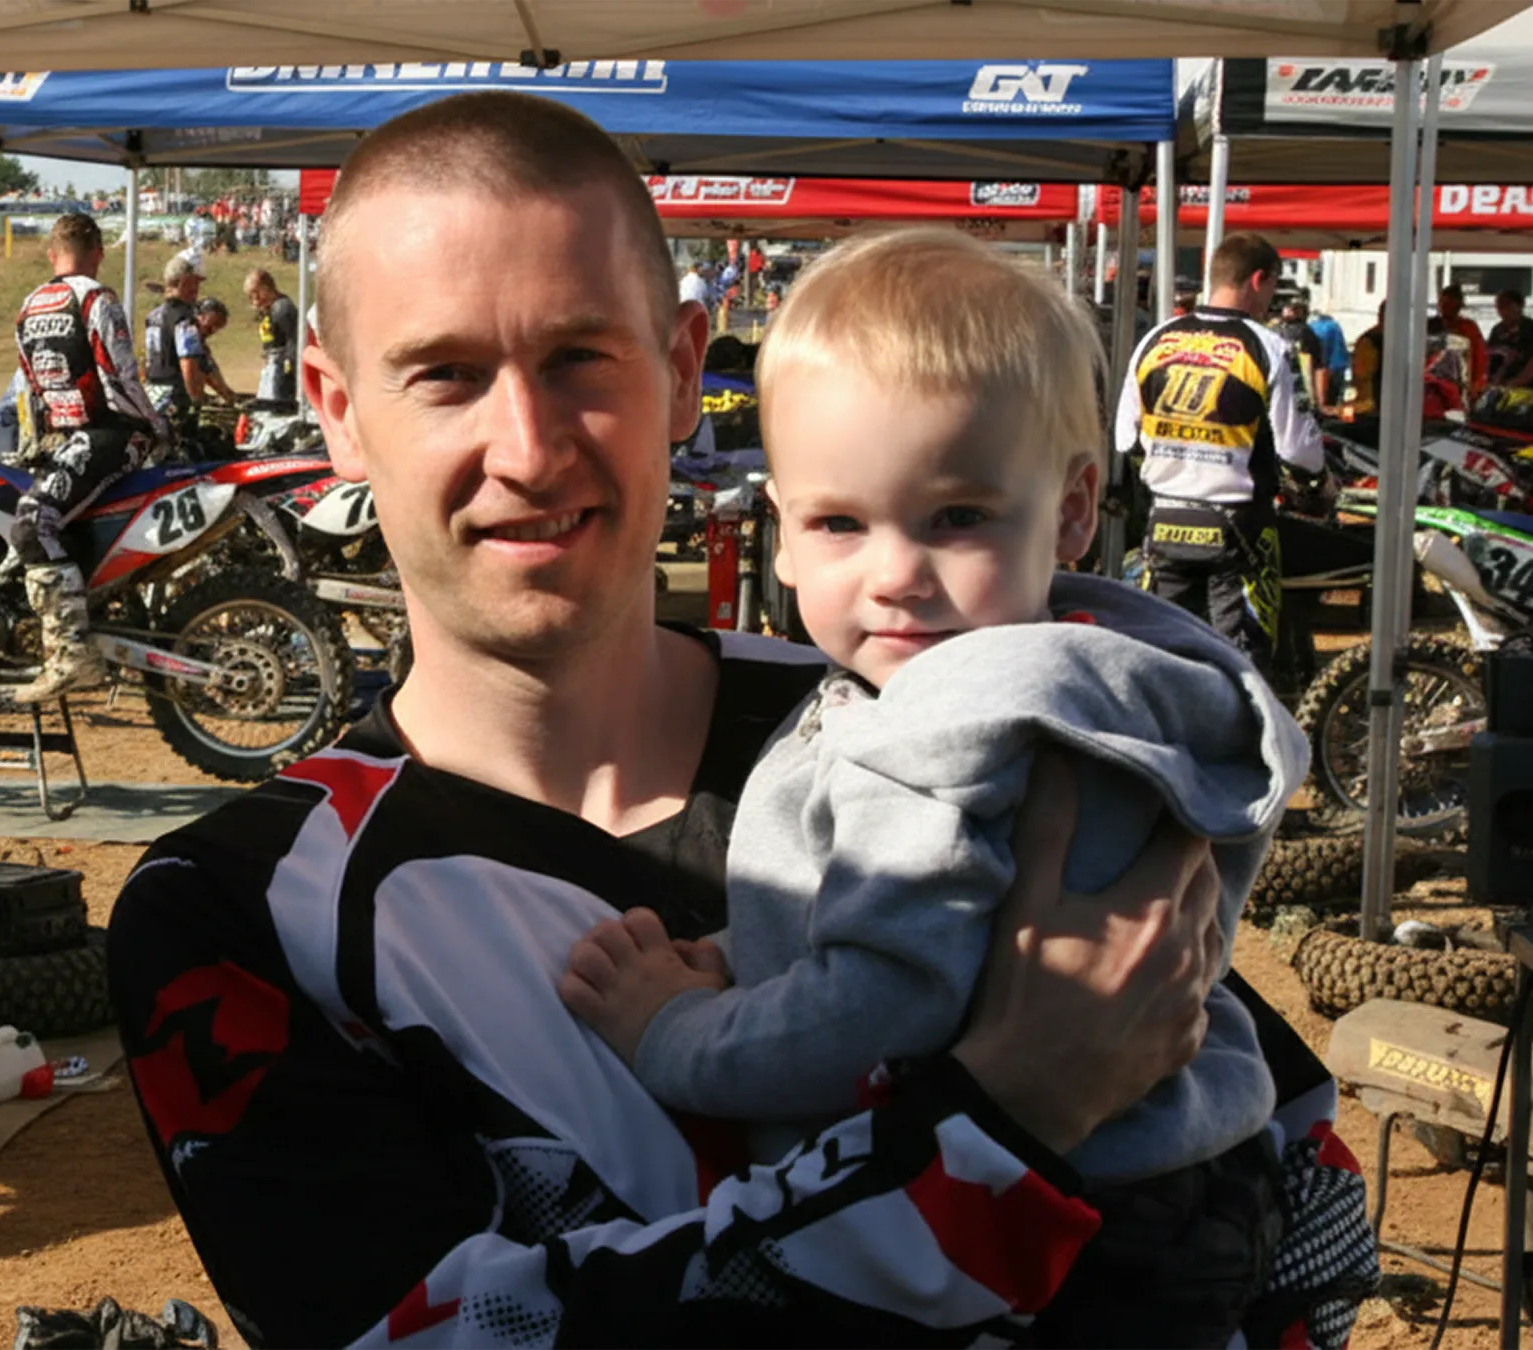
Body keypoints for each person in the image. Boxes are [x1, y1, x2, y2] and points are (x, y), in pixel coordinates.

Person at [109, 91, 1357, 1350]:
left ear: (680, 371)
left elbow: (1304, 1194)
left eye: (580, 360)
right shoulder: (240, 907)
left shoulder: (929, 707)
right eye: (446, 375)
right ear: (334, 405)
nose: (528, 449)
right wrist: (1018, 1111)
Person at [561, 229, 1350, 1345]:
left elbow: (882, 1006)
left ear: (1075, 511)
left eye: (959, 517)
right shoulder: (1102, 675)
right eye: (840, 522)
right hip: (1176, 1182)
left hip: (1041, 1217)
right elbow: (950, 928)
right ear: (782, 531)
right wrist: (752, 952)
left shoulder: (948, 717)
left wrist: (674, 1028)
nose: (893, 574)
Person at [1117, 232, 1322, 671]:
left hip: (1165, 522)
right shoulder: (1268, 346)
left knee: (1160, 659)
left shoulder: (1155, 339)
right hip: (1238, 529)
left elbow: (1124, 439)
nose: (1271, 300)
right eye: (1272, 288)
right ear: (1258, 279)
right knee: (1241, 667)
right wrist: (1321, 484)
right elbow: (1300, 450)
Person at [10, 212, 167, 701]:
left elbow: (31, 391)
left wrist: (35, 445)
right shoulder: (97, 299)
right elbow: (120, 377)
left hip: (78, 441)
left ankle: (72, 651)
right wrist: (156, 428)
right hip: (108, 435)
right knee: (38, 523)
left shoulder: (28, 307)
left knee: (32, 523)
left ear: (51, 253)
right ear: (98, 251)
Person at [143, 256, 213, 428]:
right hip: (176, 394)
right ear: (176, 283)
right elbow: (188, 361)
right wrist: (196, 397)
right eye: (191, 283)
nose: (196, 289)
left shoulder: (152, 316)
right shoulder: (184, 319)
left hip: (153, 393)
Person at [244, 267, 301, 405]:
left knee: (276, 404)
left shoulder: (282, 309)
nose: (255, 299)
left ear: (267, 288)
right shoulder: (270, 309)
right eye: (251, 296)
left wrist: (290, 369)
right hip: (272, 363)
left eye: (256, 293)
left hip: (283, 365)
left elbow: (294, 339)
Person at [1273, 297, 1331, 411]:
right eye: (1288, 307)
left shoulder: (1306, 333)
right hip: (1289, 394)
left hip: (1293, 394)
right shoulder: (1275, 330)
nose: (1289, 310)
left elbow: (1319, 368)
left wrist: (1319, 401)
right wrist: (1320, 402)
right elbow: (1319, 368)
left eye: (1294, 308)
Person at [1436, 282, 1489, 400]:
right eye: (1443, 304)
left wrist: (1477, 385)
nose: (1446, 309)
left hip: (1463, 383)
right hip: (1436, 383)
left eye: (1451, 305)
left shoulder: (1469, 327)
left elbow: (1480, 358)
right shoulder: (1432, 326)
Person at [1489, 288, 1533, 392]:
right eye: (1499, 307)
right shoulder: (1497, 330)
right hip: (1496, 384)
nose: (1502, 311)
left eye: (1506, 306)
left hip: (1522, 386)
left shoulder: (1530, 329)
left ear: (1520, 306)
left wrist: (1515, 382)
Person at [1305, 299, 1349, 404]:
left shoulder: (1312, 327)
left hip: (1318, 368)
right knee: (1334, 399)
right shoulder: (1335, 326)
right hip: (1336, 367)